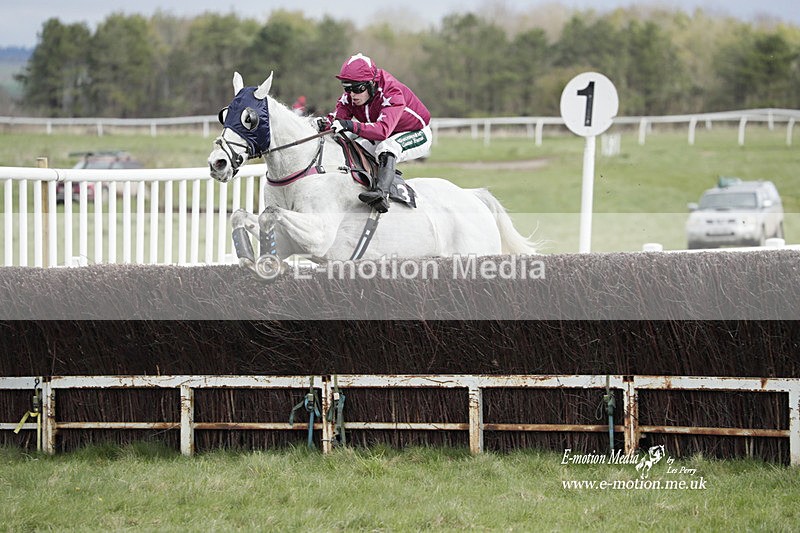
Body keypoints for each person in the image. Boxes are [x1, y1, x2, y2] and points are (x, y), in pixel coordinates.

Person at [319, 53, 432, 213]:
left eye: (358, 89)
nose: (352, 95)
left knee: (387, 148)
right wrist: (324, 124)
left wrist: (350, 125)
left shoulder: (392, 92)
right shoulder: (352, 96)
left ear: (371, 84)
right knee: (355, 148)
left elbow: (382, 131)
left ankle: (381, 194)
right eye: (347, 88)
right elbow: (337, 120)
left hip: (416, 132)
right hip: (387, 132)